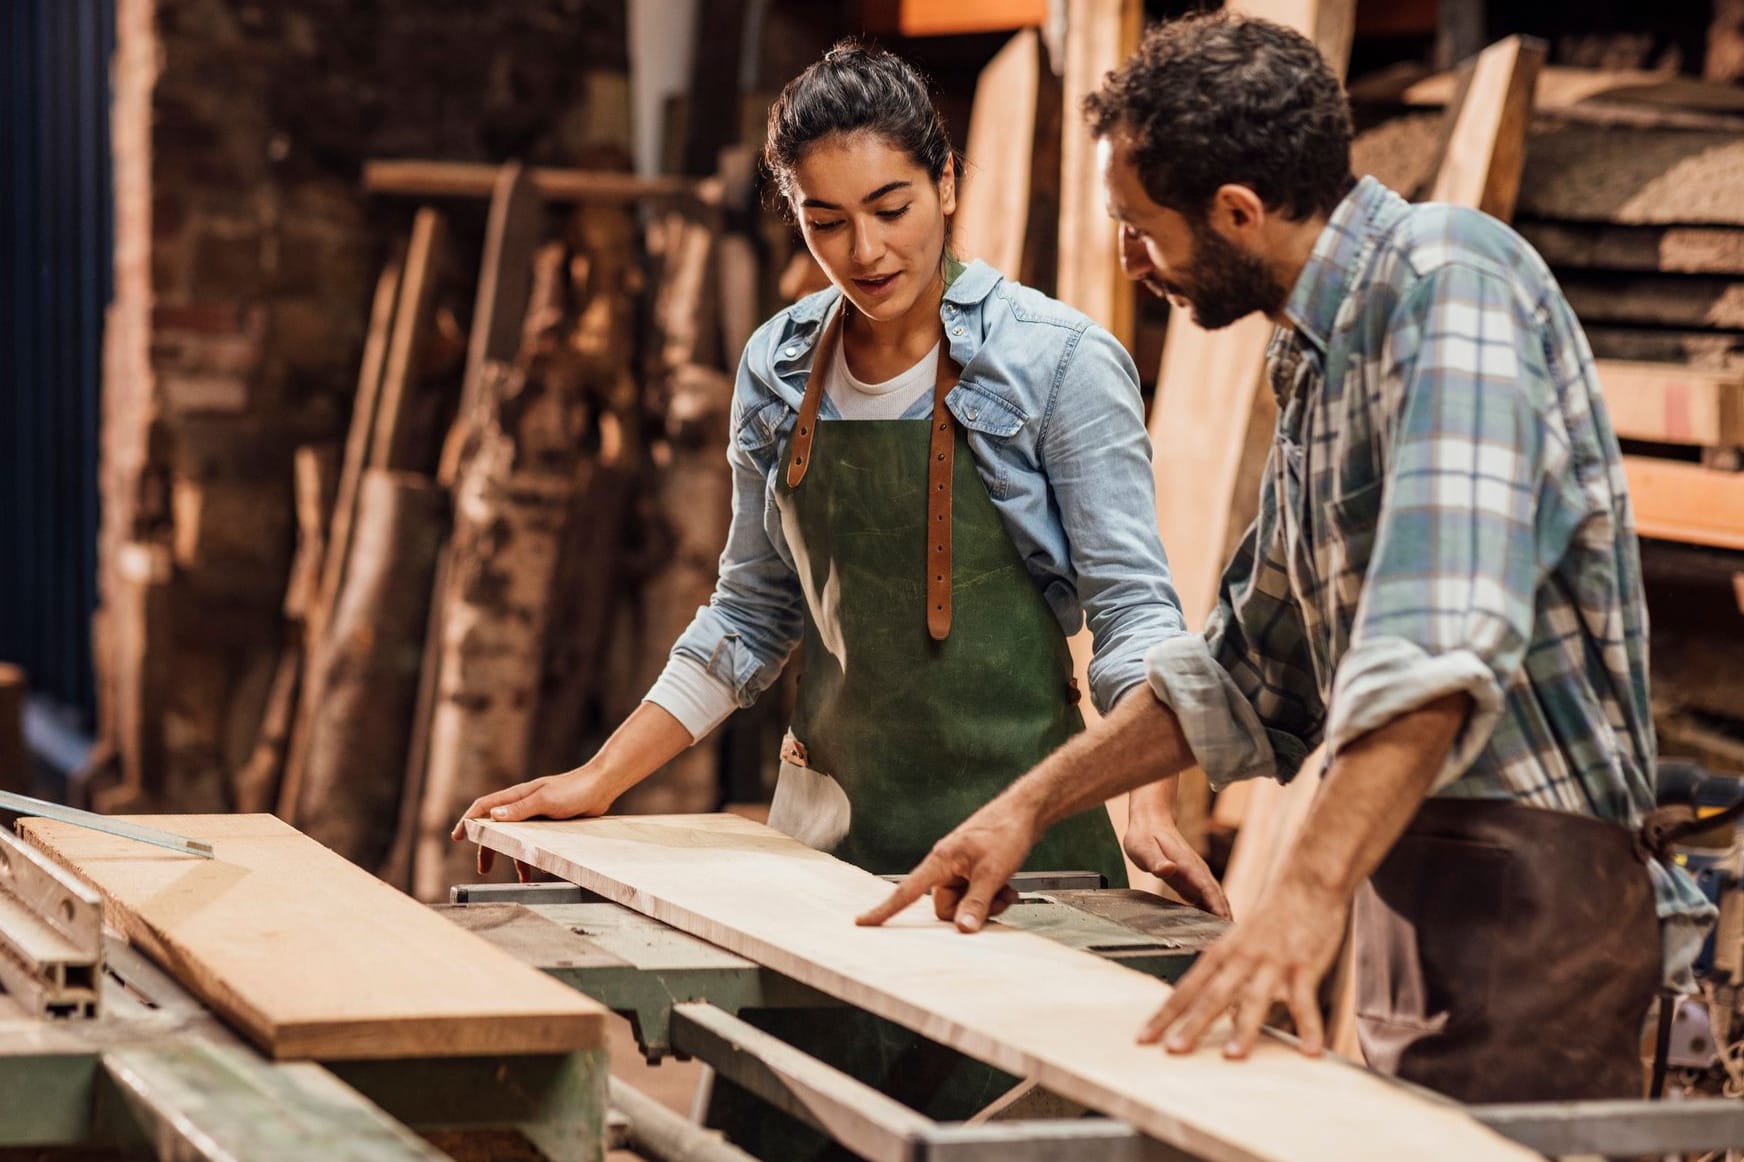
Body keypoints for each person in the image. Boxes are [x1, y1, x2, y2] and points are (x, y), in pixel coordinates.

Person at [860, 12, 1715, 1105]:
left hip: (1539, 889)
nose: (1128, 258)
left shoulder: (1447, 286)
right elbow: (1243, 674)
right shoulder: (1316, 356)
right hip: (1422, 872)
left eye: (1139, 228)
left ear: (1237, 214)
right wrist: (1025, 806)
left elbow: (1435, 656)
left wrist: (1300, 896)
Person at [454, 40, 1221, 1154]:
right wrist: (594, 780)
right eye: (824, 221)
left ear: (948, 182)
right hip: (819, 875)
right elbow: (747, 618)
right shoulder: (775, 367)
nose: (864, 250)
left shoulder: (1058, 363)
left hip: (1020, 867)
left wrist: (1149, 799)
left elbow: (1134, 615)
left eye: (892, 206)